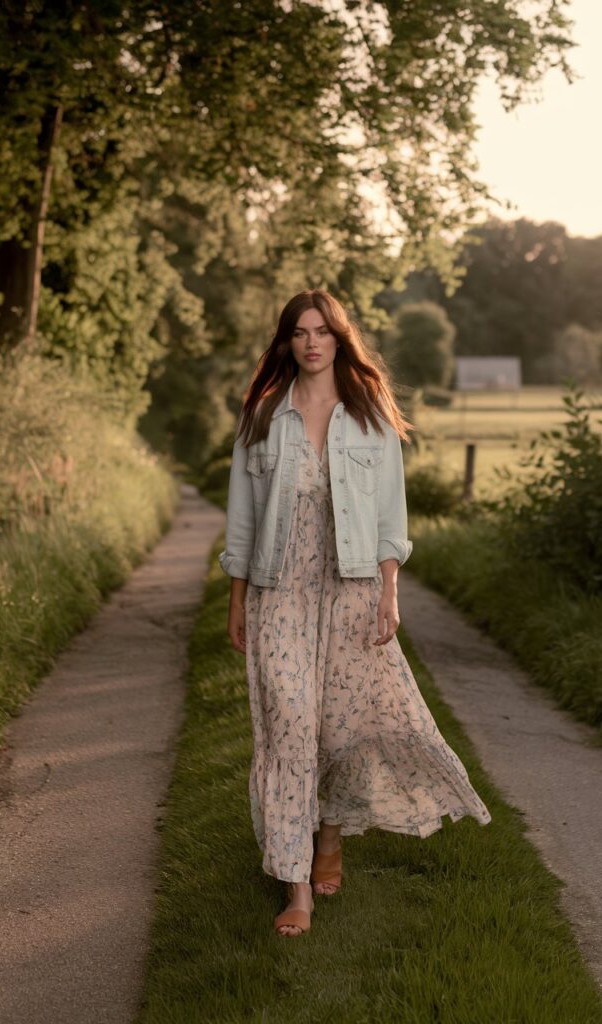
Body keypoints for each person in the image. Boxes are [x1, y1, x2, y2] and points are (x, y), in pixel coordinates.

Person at [219, 289, 492, 937]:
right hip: (278, 591)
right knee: (288, 726)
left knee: (338, 729)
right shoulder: (262, 415)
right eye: (299, 332)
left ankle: (330, 835)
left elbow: (391, 515)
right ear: (287, 342)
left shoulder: (369, 414)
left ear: (340, 339)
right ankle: (296, 886)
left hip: (352, 589)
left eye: (322, 331)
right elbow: (242, 517)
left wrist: (389, 591)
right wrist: (237, 599)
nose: (311, 342)